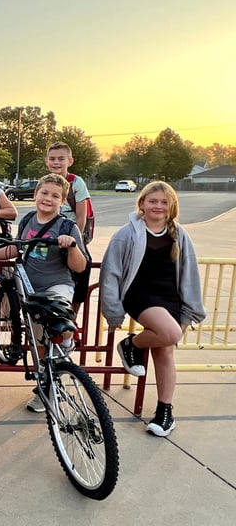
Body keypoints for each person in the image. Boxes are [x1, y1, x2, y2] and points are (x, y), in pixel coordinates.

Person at [0, 173, 87, 413]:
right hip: (29, 290)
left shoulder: (67, 226)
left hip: (56, 285)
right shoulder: (28, 221)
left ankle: (67, 342)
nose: (48, 198)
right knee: (38, 343)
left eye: (55, 196)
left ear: (62, 202)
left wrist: (71, 245)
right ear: (35, 195)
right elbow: (16, 248)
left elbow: (80, 266)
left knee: (61, 320)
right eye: (44, 193)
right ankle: (46, 387)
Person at [100, 181, 205, 437]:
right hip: (140, 296)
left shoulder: (179, 235)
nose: (158, 206)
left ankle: (164, 412)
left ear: (172, 207)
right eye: (153, 201)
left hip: (171, 298)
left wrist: (190, 310)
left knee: (166, 350)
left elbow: (189, 274)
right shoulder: (127, 234)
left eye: (164, 202)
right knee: (171, 333)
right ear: (142, 204)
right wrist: (113, 310)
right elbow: (111, 273)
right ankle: (132, 345)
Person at [45, 142, 91, 317]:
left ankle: (73, 313)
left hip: (71, 233)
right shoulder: (46, 182)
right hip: (50, 234)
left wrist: (76, 241)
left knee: (84, 267)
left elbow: (81, 216)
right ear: (47, 161)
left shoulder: (77, 183)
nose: (56, 162)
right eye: (52, 159)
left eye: (61, 159)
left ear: (69, 161)